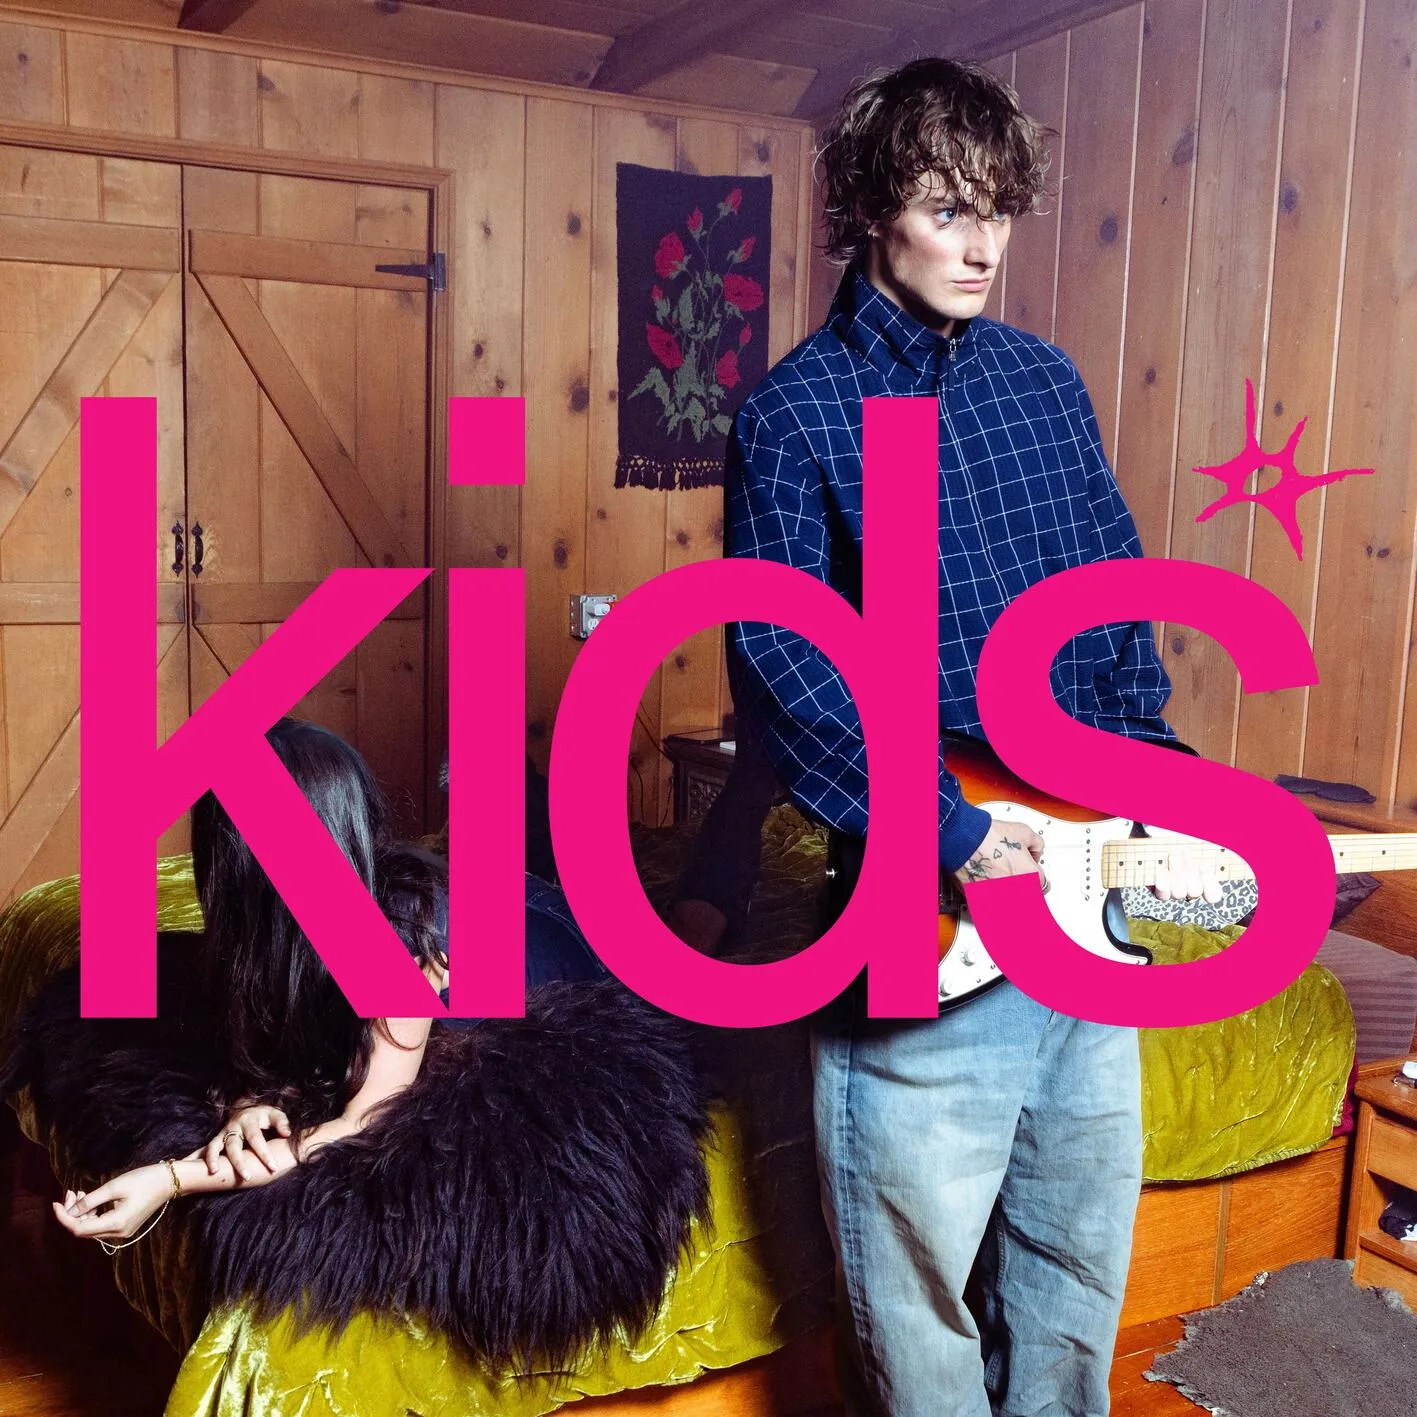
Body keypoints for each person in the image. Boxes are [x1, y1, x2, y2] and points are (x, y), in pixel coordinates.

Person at [725, 58, 1219, 1417]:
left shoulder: (1043, 384)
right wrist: (954, 830)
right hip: (924, 922)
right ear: (872, 209)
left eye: (996, 210)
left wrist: (1156, 784)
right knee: (916, 1317)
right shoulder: (793, 414)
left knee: (1072, 1285)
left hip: (1087, 930)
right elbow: (782, 668)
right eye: (948, 209)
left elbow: (1110, 593)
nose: (982, 243)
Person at [51, 717, 604, 1247]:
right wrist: (245, 1107)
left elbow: (363, 1122)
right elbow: (268, 1043)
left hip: (551, 941)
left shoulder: (400, 943)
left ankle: (529, 805)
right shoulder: (268, 937)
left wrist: (171, 1178)